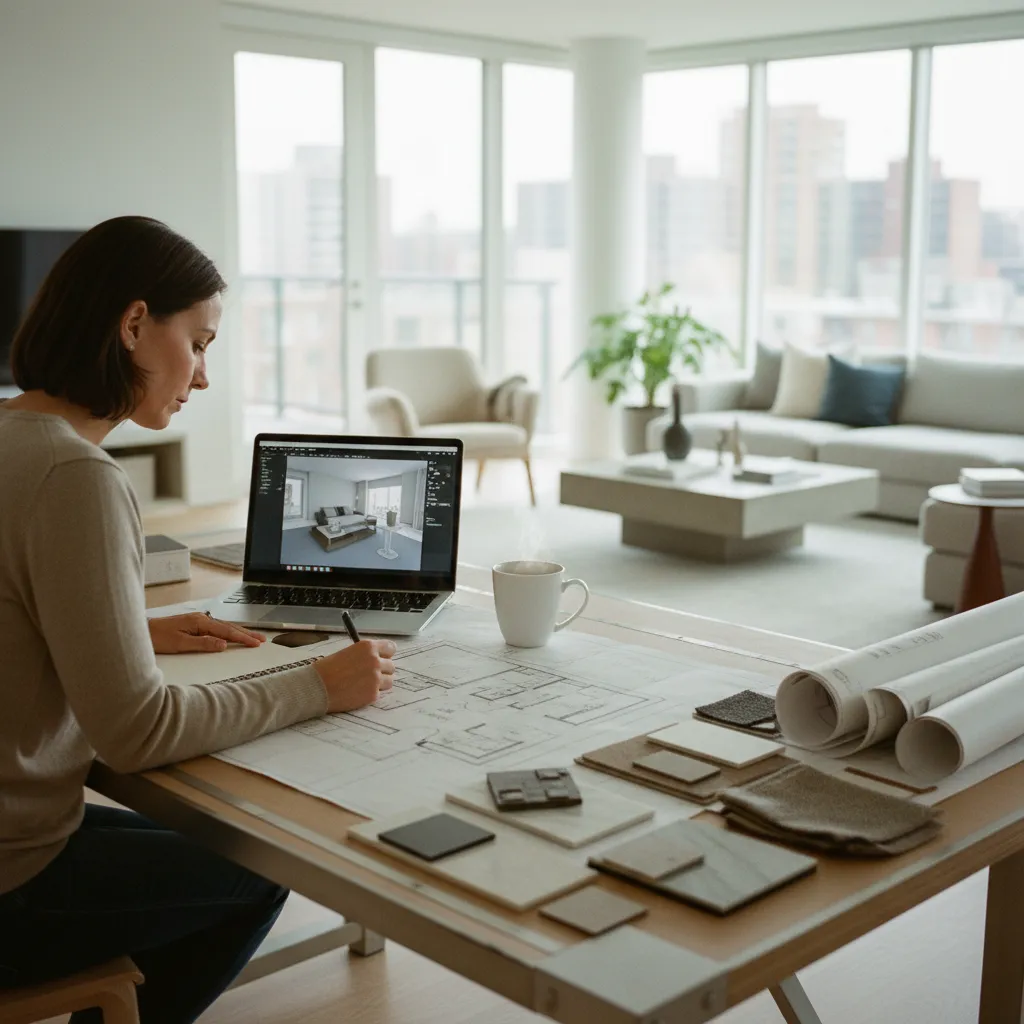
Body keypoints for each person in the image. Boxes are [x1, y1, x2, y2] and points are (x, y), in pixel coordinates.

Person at [0, 216, 395, 1022]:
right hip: (14, 883)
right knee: (268, 861)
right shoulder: (75, 475)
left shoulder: (11, 434)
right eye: (200, 343)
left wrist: (124, 632)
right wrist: (317, 685)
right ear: (134, 324)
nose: (204, 377)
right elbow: (136, 732)